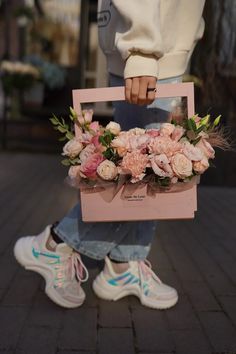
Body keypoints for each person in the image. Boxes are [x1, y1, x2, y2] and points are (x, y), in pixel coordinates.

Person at [14, 0, 206, 309]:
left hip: (161, 44)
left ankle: (123, 266)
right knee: (144, 170)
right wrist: (142, 51)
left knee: (147, 170)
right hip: (149, 46)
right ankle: (55, 245)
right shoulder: (145, 49)